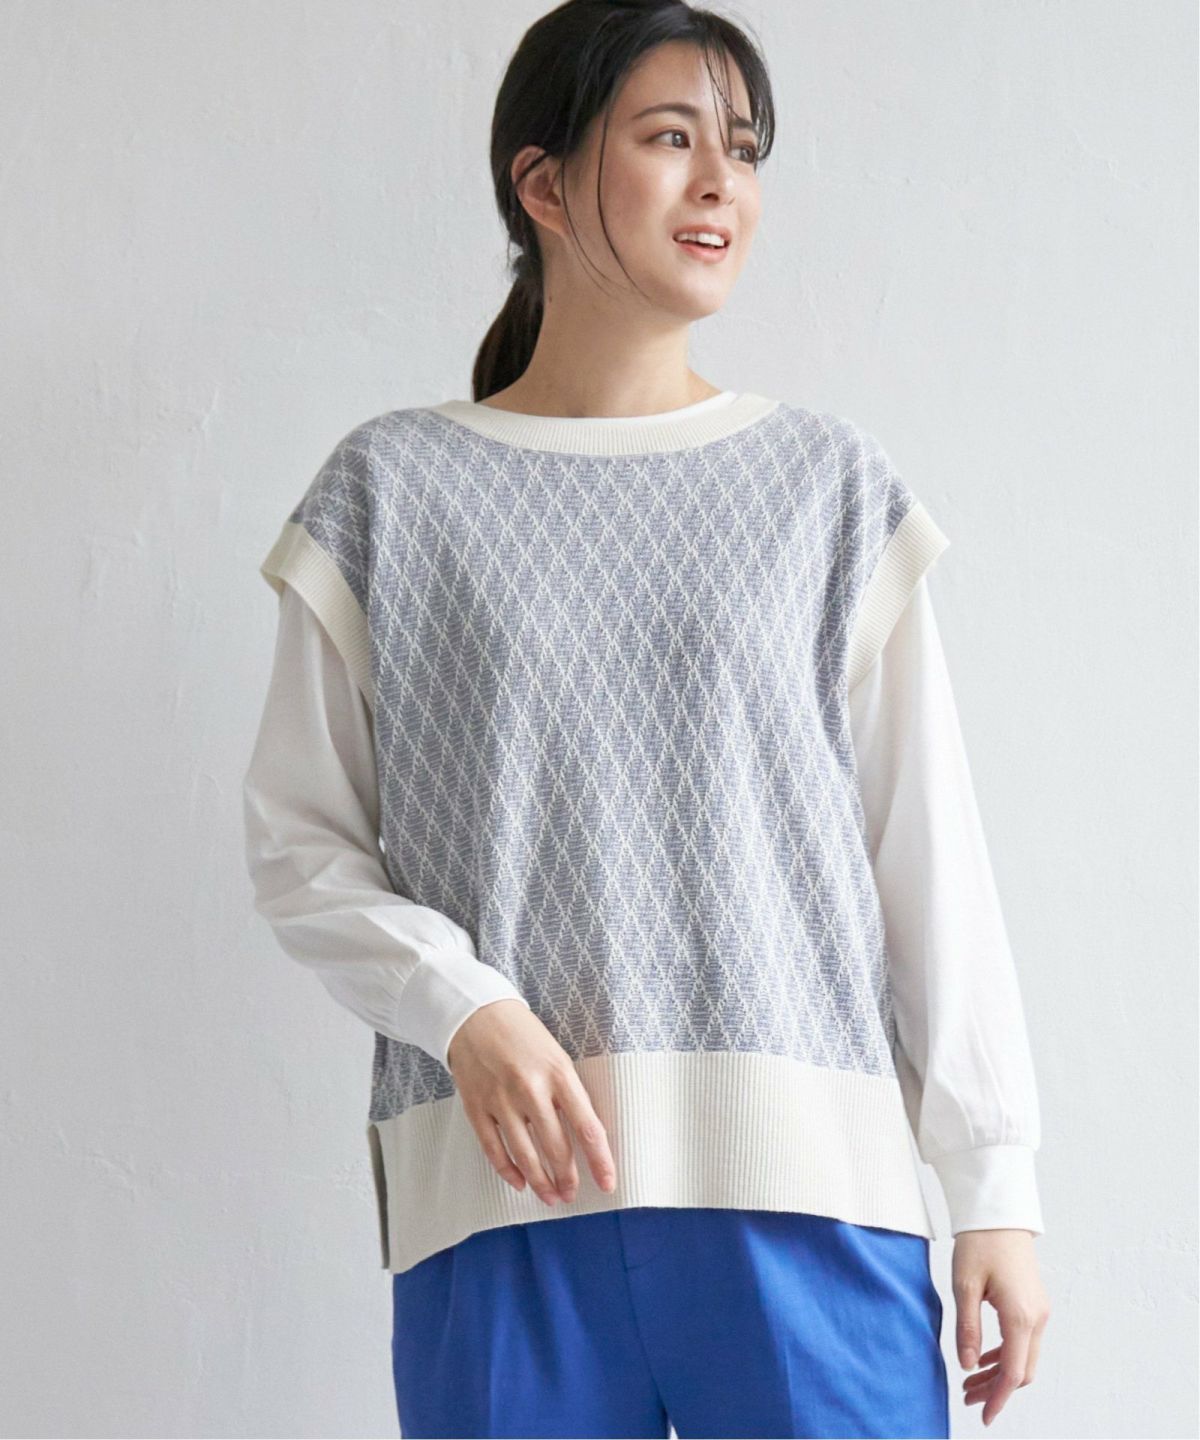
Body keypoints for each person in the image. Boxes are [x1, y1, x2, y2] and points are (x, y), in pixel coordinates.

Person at [242, 2, 1051, 1435]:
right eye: (671, 138)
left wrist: (994, 1183)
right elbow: (302, 846)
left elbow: (925, 853)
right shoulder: (389, 494)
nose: (721, 182)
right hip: (500, 1204)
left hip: (810, 1202)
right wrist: (463, 1009)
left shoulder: (825, 489)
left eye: (743, 147)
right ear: (542, 184)